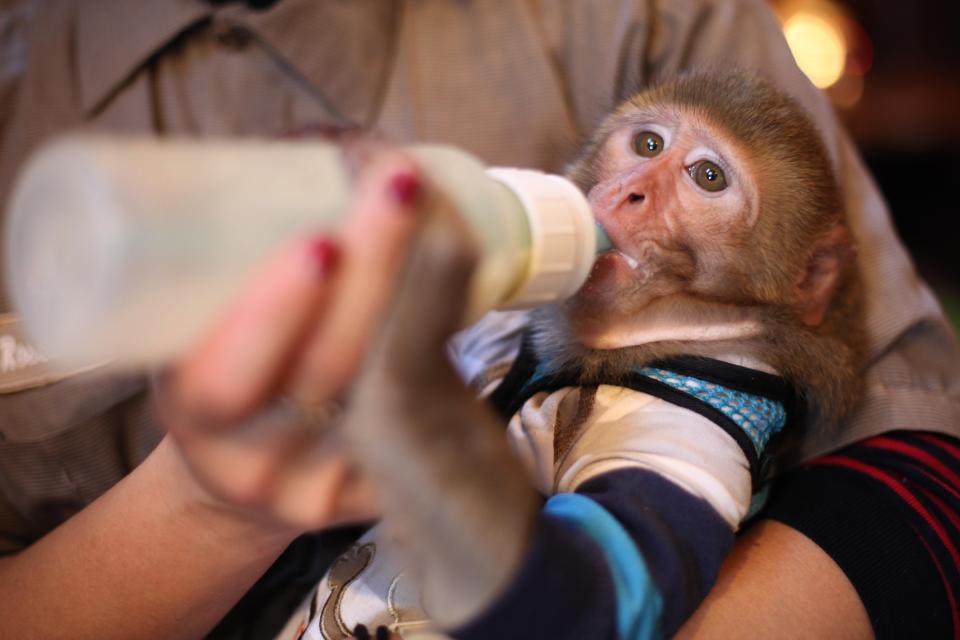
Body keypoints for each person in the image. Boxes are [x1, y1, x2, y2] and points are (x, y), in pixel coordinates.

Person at [0, 1, 956, 638]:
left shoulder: (687, 418)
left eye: (706, 179)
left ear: (806, 280)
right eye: (643, 144)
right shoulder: (528, 321)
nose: (624, 193)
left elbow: (605, 596)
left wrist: (416, 408)